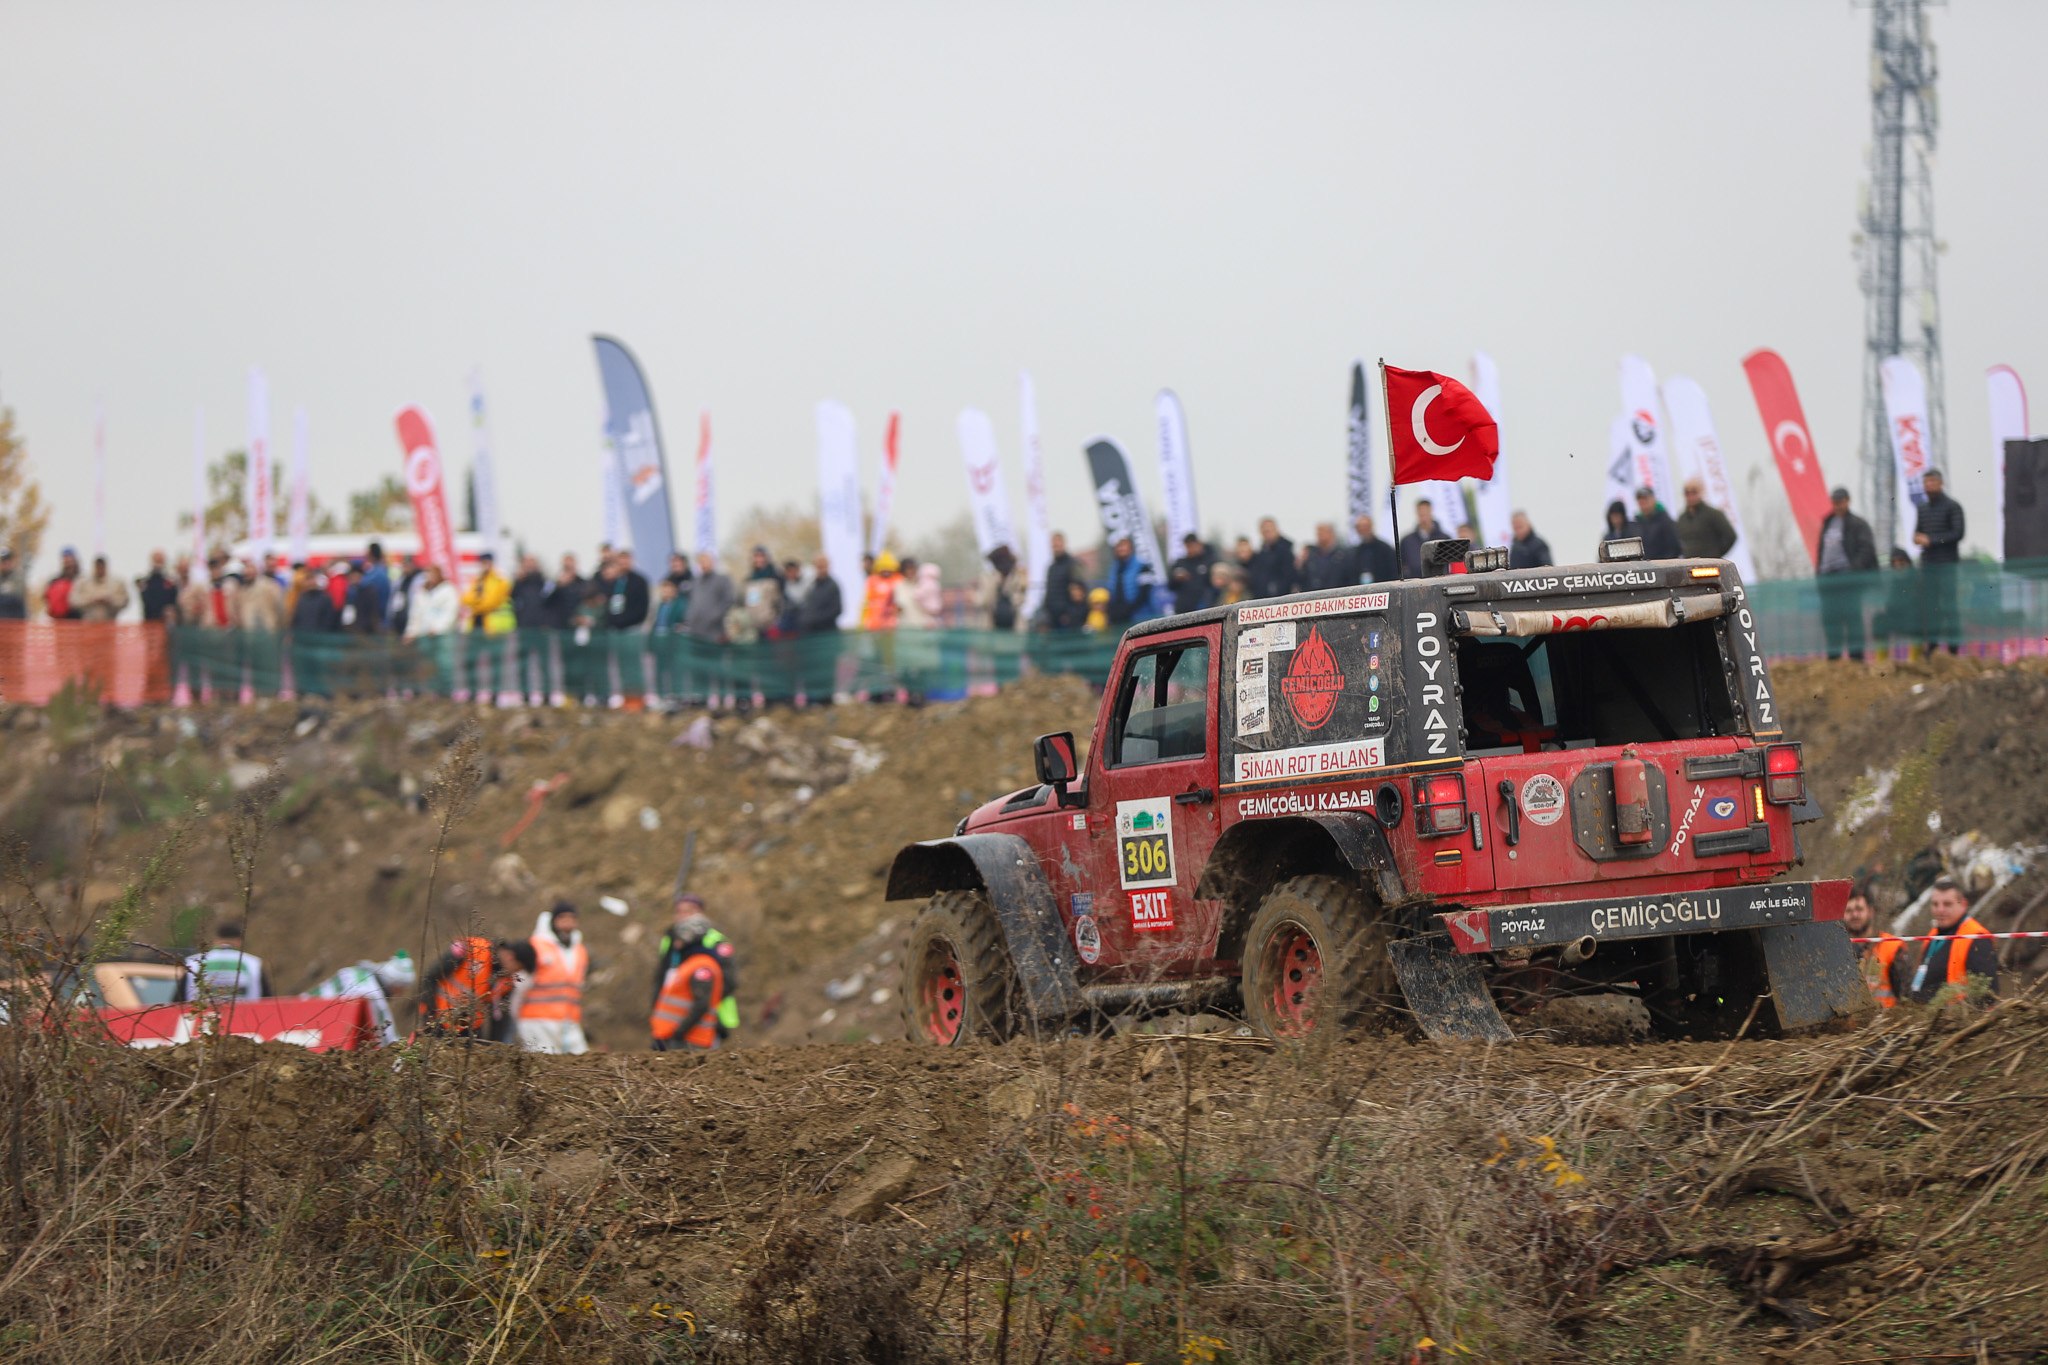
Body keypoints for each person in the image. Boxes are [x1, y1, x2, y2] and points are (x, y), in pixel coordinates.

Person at [1888, 875, 1998, 1008]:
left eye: (1947, 904)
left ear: (1963, 904)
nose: (1940, 910)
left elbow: (1989, 994)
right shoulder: (1933, 935)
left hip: (1957, 1020)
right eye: (1935, 904)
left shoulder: (1976, 938)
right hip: (1926, 1018)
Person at [651, 899, 734, 1050]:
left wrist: (680, 1030)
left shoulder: (711, 949)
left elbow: (728, 982)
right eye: (679, 911)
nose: (683, 916)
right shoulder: (672, 943)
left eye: (688, 911)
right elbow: (662, 978)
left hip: (697, 1027)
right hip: (674, 1027)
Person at [417, 936, 531, 1041]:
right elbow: (431, 977)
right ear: (511, 957)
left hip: (470, 1031)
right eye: (517, 968)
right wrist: (430, 1015)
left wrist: (493, 1048)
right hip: (439, 1021)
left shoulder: (506, 982)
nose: (515, 973)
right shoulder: (470, 950)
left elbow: (499, 1019)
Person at [1815, 486, 1880, 662]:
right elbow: (1821, 552)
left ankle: (1856, 658)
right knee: (1831, 622)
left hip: (1848, 580)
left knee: (1852, 620)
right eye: (1835, 502)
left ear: (1848, 501)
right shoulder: (1828, 522)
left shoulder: (1858, 524)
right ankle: (1834, 659)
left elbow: (1867, 550)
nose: (1838, 506)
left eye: (1841, 502)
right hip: (1829, 581)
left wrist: (1854, 570)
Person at [518, 901, 590, 1054]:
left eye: (571, 919)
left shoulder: (579, 950)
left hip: (568, 1021)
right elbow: (519, 986)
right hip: (537, 1020)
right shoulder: (536, 946)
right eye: (563, 919)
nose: (567, 924)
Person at [1913, 469, 1965, 654]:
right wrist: (1918, 538)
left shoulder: (1952, 506)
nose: (1929, 486)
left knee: (1950, 608)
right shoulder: (1922, 509)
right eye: (1926, 483)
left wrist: (1932, 540)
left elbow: (1958, 533)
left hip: (1947, 565)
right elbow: (1919, 532)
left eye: (1933, 482)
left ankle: (1953, 649)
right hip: (1928, 566)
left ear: (1941, 483)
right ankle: (1933, 647)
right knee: (1931, 609)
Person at [312, 952, 415, 1044]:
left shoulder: (353, 972)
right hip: (325, 1036)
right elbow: (386, 1038)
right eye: (401, 989)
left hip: (307, 1022)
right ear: (396, 984)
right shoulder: (372, 995)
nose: (399, 994)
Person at [174, 923, 273, 1003]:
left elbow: (178, 1000)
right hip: (245, 1021)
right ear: (239, 941)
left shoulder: (194, 962)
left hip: (201, 1022)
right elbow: (267, 999)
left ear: (216, 940)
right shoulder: (253, 963)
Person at [1841, 884, 1902, 1009]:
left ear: (1871, 911)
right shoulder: (1836, 950)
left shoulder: (1892, 946)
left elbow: (1906, 996)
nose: (1854, 915)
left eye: (1859, 909)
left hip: (1885, 1024)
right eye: (1849, 911)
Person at [1870, 548, 1923, 659]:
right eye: (1894, 562)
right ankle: (1881, 663)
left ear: (1908, 563)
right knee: (1879, 619)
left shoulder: (1918, 579)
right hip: (1898, 620)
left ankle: (1915, 661)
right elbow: (1889, 607)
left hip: (1915, 620)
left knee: (1917, 617)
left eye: (1901, 561)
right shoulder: (1892, 582)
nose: (1898, 565)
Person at [1675, 479, 1738, 560]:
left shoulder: (1713, 514)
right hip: (1689, 565)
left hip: (1709, 565)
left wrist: (1716, 555)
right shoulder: (1682, 518)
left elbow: (1730, 536)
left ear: (1700, 492)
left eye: (1694, 492)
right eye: (1687, 493)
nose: (1690, 496)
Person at [1103, 537, 1157, 627]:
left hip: (1141, 617)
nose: (1120, 549)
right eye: (1118, 546)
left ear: (1131, 548)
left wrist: (1129, 610)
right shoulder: (1114, 569)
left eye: (1123, 546)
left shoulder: (1143, 566)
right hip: (1120, 620)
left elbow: (1145, 592)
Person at [1037, 534, 1084, 632]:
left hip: (1068, 621)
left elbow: (1079, 592)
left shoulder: (1073, 564)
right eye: (1054, 546)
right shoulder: (1051, 568)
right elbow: (1049, 592)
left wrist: (1070, 614)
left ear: (1064, 544)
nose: (1056, 548)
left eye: (1058, 545)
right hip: (1052, 620)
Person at [685, 550, 734, 642]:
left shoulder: (722, 580)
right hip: (696, 632)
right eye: (701, 561)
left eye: (706, 561)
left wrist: (713, 616)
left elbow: (728, 601)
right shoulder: (696, 582)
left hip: (715, 632)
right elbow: (691, 602)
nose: (704, 564)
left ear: (713, 562)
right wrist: (689, 618)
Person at [1247, 518, 1299, 598]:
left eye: (1269, 531)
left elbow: (1289, 575)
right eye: (1264, 532)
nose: (1267, 534)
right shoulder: (1261, 554)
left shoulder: (1286, 551)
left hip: (1281, 599)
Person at [71, 555, 131, 622]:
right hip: (88, 623)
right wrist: (91, 600)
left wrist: (110, 601)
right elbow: (73, 601)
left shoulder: (117, 583)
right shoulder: (82, 582)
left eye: (101, 567)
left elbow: (125, 601)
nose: (100, 569)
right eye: (98, 567)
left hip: (110, 622)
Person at [1168, 533, 1217, 615]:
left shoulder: (1209, 562)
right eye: (1188, 546)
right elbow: (1170, 586)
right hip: (1182, 608)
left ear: (1199, 545)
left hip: (1203, 607)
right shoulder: (1180, 563)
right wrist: (1176, 579)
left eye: (1193, 546)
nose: (1190, 549)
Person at [605, 549, 651, 631]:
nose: (623, 563)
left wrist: (626, 620)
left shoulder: (639, 581)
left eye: (626, 560)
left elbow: (642, 607)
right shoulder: (614, 581)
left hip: (633, 627)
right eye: (621, 561)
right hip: (614, 627)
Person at [1346, 515, 1399, 585]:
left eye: (1365, 527)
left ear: (1371, 527)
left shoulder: (1385, 549)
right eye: (1360, 528)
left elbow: (1394, 572)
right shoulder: (1353, 553)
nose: (1363, 530)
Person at [798, 552, 843, 633]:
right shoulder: (812, 584)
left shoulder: (832, 586)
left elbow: (836, 610)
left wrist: (814, 619)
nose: (820, 569)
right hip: (810, 632)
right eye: (818, 566)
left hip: (827, 632)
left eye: (822, 566)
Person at [1633, 487, 1681, 560]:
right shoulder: (1638, 523)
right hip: (1644, 567)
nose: (1643, 504)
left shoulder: (1665, 521)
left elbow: (1674, 548)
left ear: (1653, 499)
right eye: (1640, 501)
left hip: (1662, 567)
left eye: (1645, 500)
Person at [1397, 502, 1442, 580]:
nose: (1424, 518)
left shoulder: (1443, 538)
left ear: (1431, 512)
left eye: (1426, 514)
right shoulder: (1407, 541)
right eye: (1421, 515)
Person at [1299, 523, 1349, 592]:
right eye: (1318, 533)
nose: (1319, 536)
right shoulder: (1311, 556)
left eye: (1322, 533)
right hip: (1315, 597)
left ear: (1331, 534)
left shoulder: (1342, 555)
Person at [861, 551, 902, 631]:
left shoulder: (898, 580)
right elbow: (867, 602)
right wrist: (864, 620)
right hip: (874, 624)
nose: (886, 572)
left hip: (893, 624)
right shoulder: (872, 580)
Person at [137, 551, 180, 623]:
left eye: (160, 560)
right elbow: (147, 600)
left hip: (166, 622)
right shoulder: (144, 582)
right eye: (156, 560)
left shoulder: (171, 582)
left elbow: (172, 600)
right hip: (149, 621)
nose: (158, 564)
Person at [41, 547, 81, 620]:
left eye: (70, 560)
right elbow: (45, 598)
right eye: (66, 560)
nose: (68, 563)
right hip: (59, 620)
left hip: (77, 620)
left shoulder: (81, 580)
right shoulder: (54, 581)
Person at [0, 546, 26, 620]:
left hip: (14, 622)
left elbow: (16, 597)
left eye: (7, 560)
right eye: (3, 561)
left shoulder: (18, 578)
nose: (5, 563)